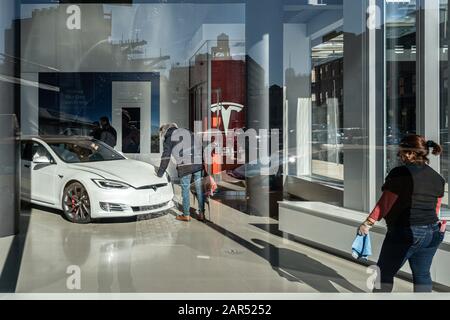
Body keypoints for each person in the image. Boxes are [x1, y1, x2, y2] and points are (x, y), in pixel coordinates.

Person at [359, 134, 447, 292]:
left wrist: (367, 224)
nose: (399, 155)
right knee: (422, 275)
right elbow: (436, 208)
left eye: (400, 152)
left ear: (411, 153)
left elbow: (385, 203)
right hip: (432, 232)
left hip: (406, 231)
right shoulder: (438, 178)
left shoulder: (400, 174)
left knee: (383, 274)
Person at [156, 123, 205, 222]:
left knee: (185, 189)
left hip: (185, 165)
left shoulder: (169, 138)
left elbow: (166, 156)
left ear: (164, 131)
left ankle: (186, 215)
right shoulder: (188, 131)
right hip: (198, 163)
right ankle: (201, 213)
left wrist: (160, 173)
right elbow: (200, 145)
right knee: (199, 188)